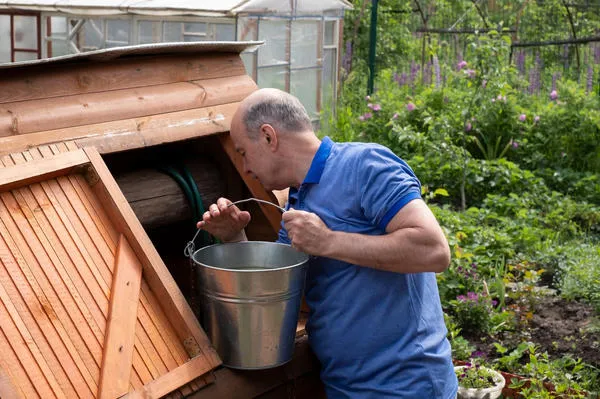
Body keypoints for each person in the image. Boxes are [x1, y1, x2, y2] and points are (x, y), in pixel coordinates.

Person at [197, 88, 458, 398]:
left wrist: (328, 241)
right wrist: (232, 237)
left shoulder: (364, 166)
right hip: (344, 388)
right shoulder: (296, 206)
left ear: (268, 137)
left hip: (407, 388)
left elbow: (434, 250)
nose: (245, 168)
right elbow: (270, 294)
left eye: (242, 153)